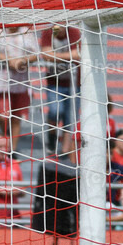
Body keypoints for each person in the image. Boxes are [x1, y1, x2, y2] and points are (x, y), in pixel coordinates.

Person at [0, 24, 39, 149]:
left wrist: (22, 60)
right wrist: (8, 59)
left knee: (16, 117)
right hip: (2, 80)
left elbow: (35, 53)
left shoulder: (26, 32)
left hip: (21, 80)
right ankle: (5, 137)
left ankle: (12, 149)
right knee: (2, 115)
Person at [38, 23, 81, 153]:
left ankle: (65, 152)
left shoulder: (73, 32)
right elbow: (45, 53)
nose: (60, 27)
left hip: (74, 83)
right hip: (54, 82)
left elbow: (77, 54)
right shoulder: (49, 32)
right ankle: (52, 139)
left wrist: (55, 57)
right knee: (55, 111)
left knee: (70, 118)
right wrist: (66, 57)